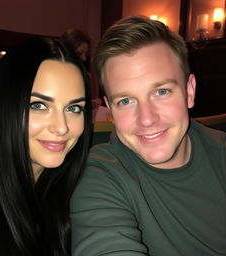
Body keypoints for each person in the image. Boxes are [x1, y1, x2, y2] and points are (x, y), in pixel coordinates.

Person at [70, 16, 226, 255]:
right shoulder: (99, 174)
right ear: (110, 110)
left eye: (161, 91)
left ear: (189, 92)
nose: (146, 118)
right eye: (126, 100)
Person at [0, 37, 92, 256]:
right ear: (5, 105)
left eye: (74, 108)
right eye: (39, 105)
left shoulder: (81, 187)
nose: (61, 127)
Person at [61, 29, 103, 119]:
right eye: (79, 53)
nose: (84, 58)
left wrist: (90, 104)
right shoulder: (53, 76)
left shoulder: (85, 76)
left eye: (86, 54)